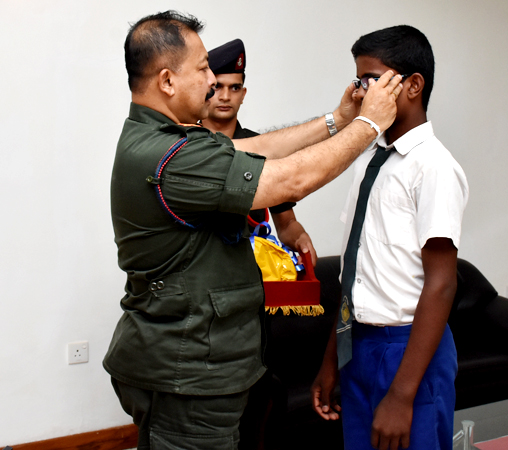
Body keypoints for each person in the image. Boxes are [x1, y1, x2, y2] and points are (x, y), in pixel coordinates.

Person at [103, 11, 403, 448]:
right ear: (168, 81)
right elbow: (289, 180)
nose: (211, 80)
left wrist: (338, 119)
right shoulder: (172, 157)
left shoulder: (166, 139)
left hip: (180, 365)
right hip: (189, 376)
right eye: (204, 68)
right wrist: (369, 125)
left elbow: (255, 147)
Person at [310, 25, 469, 450]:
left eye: (372, 79)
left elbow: (442, 283)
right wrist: (332, 359)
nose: (361, 92)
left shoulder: (432, 166)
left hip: (407, 350)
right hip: (357, 344)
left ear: (413, 85)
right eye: (358, 80)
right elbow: (354, 271)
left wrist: (402, 395)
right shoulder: (369, 160)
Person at [201, 39, 317, 265]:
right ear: (204, 91)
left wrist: (300, 238)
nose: (225, 96)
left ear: (243, 94)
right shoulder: (183, 143)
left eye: (234, 88)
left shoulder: (263, 146)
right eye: (217, 87)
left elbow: (285, 224)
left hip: (250, 270)